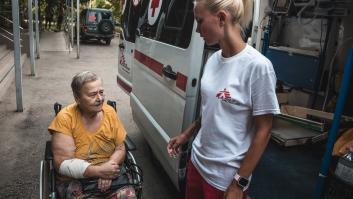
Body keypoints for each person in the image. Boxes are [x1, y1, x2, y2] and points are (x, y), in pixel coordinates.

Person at [167, 0, 280, 199]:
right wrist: (186, 134)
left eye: (199, 21)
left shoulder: (258, 67)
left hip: (225, 179)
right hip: (197, 163)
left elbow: (265, 130)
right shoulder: (213, 60)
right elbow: (211, 110)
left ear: (221, 18)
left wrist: (239, 183)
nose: (197, 30)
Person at [48, 71, 136, 199]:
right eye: (93, 94)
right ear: (77, 98)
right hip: (76, 179)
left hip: (110, 171)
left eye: (101, 92)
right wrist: (99, 171)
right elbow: (63, 164)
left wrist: (109, 168)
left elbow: (120, 148)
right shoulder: (65, 119)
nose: (100, 98)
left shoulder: (110, 113)